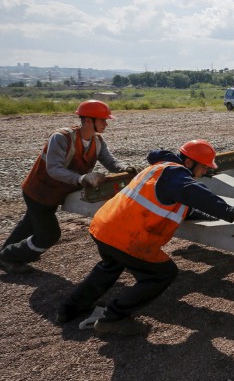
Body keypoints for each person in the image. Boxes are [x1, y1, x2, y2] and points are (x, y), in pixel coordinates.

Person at [56, 140, 234, 336]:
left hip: (104, 227)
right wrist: (230, 211)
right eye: (204, 167)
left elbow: (180, 205)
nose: (205, 172)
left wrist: (210, 217)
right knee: (161, 274)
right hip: (126, 238)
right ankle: (113, 318)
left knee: (110, 266)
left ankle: (69, 309)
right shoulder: (177, 175)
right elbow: (197, 194)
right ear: (189, 163)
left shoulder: (160, 169)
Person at [0, 100, 136, 275]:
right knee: (49, 235)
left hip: (54, 193)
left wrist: (125, 168)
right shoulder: (61, 137)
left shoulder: (98, 141)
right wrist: (82, 178)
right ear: (87, 120)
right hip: (39, 191)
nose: (106, 123)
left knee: (30, 223)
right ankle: (8, 257)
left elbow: (110, 161)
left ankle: (7, 254)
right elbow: (54, 169)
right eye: (102, 119)